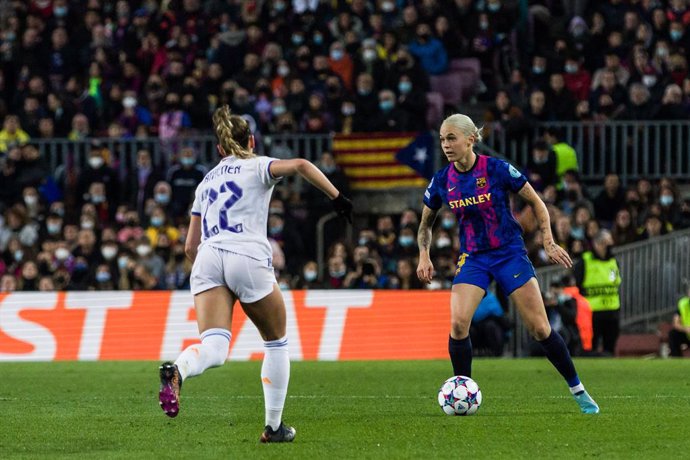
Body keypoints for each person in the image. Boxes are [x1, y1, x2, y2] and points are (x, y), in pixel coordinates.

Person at [158, 105, 353, 442]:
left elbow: (190, 245)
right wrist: (337, 197)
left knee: (214, 347)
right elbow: (302, 165)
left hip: (207, 258)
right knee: (276, 342)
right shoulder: (258, 165)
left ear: (219, 149)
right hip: (246, 253)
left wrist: (215, 276)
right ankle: (274, 427)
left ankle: (179, 370)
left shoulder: (204, 183)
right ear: (251, 139)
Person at [416, 113, 599, 414]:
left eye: (451, 138)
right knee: (459, 324)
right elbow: (425, 224)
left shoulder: (497, 169)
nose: (446, 145)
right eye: (442, 139)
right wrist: (424, 254)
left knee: (540, 329)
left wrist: (548, 240)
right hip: (474, 258)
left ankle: (578, 389)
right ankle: (464, 393)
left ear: (470, 139)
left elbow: (537, 203)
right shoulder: (441, 180)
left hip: (509, 254)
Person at [573, 230, 621, 356]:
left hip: (612, 311)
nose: (608, 246)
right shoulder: (585, 261)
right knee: (590, 349)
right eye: (605, 243)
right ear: (597, 244)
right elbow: (576, 285)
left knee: (610, 348)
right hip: (591, 313)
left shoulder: (613, 261)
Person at [668, 284, 690, 357]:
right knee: (673, 334)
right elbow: (676, 323)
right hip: (687, 333)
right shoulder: (683, 304)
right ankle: (676, 358)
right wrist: (686, 329)